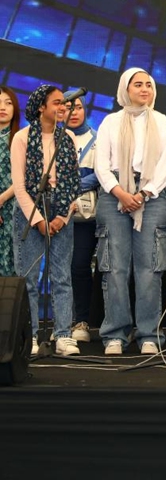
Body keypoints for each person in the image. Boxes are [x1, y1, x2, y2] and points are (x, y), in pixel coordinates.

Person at [94, 68, 166, 355]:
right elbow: (100, 164)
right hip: (113, 196)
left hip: (151, 198)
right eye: (137, 84)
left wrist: (142, 194)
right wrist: (121, 193)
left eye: (149, 85)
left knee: (150, 269)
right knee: (114, 268)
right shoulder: (110, 121)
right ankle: (115, 333)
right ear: (125, 89)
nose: (144, 89)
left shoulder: (162, 122)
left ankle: (149, 335)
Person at [11, 85, 82, 356]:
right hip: (30, 209)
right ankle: (27, 336)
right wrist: (39, 220)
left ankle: (63, 334)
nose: (63, 107)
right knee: (28, 277)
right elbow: (19, 186)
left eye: (64, 103)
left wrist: (63, 217)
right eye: (57, 103)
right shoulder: (22, 137)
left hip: (62, 209)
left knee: (62, 276)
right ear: (42, 107)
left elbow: (74, 184)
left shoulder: (70, 137)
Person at [64, 90, 99, 343]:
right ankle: (61, 323)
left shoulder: (97, 138)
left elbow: (104, 172)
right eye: (66, 107)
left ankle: (82, 321)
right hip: (56, 214)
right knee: (60, 270)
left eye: (77, 107)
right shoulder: (51, 140)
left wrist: (74, 184)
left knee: (79, 266)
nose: (72, 112)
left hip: (87, 217)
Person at [0, 86, 20, 278]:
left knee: (10, 266)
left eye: (8, 103)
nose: (3, 107)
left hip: (14, 207)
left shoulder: (21, 139)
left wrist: (2, 199)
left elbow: (23, 178)